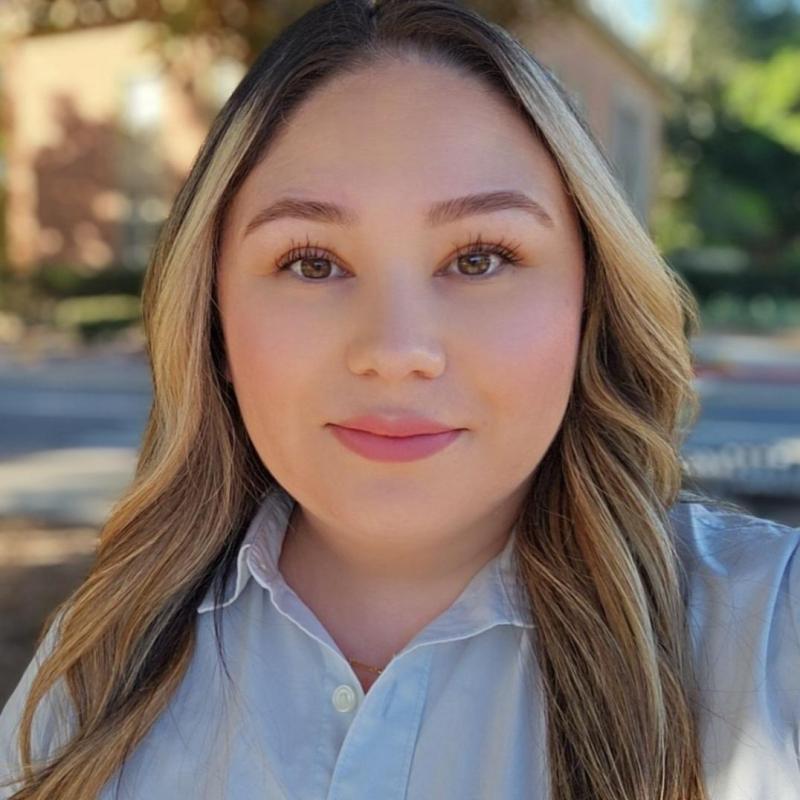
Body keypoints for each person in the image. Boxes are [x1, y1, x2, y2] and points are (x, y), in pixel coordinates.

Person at [1, 0, 798, 798]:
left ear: (589, 302)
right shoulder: (98, 661)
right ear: (213, 319)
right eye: (311, 263)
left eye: (481, 257)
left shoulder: (770, 643)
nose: (394, 351)